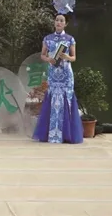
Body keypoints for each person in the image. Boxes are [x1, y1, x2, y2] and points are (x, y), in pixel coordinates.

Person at [32, 13, 83, 144]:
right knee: (52, 98)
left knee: (67, 99)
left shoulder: (70, 39)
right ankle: (51, 134)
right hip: (53, 73)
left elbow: (74, 58)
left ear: (66, 24)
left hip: (66, 74)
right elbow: (42, 55)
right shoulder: (48, 39)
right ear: (54, 22)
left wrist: (66, 57)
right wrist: (48, 59)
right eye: (57, 20)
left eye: (61, 21)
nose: (58, 22)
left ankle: (67, 134)